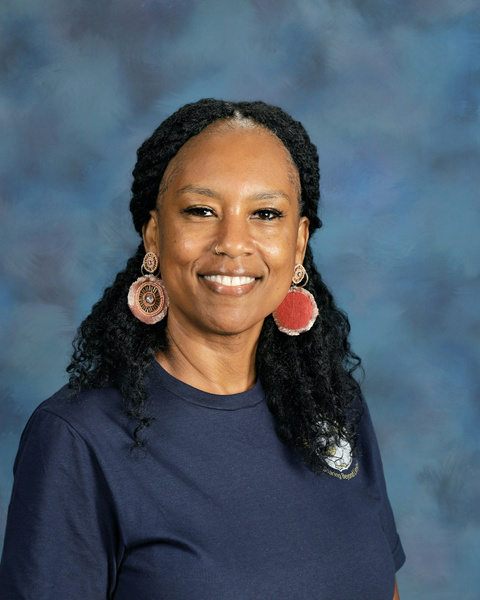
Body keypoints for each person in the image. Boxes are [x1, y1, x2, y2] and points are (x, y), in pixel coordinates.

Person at [0, 99, 405, 599]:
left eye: (265, 214)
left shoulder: (334, 404)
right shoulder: (78, 440)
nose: (233, 242)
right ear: (154, 235)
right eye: (201, 211)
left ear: (298, 243)